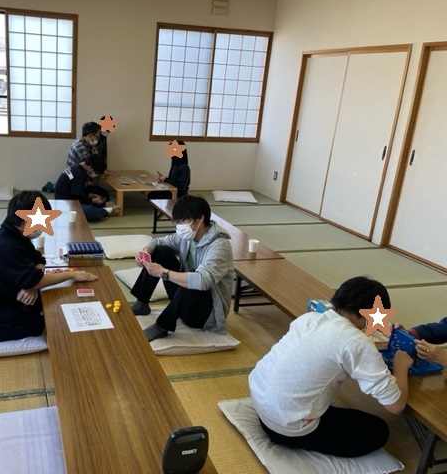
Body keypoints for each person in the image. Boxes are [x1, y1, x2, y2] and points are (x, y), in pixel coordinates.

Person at [249, 276, 413, 458]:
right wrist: (401, 366)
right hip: (287, 427)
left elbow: (339, 343)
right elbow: (396, 405)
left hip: (263, 405)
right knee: (378, 430)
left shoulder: (310, 318)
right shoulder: (355, 341)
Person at [0, 191, 99, 354]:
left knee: (35, 304)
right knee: (34, 325)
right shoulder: (5, 247)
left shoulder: (16, 234)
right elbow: (37, 276)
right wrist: (72, 274)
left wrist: (32, 284)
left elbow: (39, 259)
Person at [129, 195, 234, 341]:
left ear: (200, 218)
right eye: (177, 222)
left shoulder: (220, 245)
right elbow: (158, 241)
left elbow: (202, 281)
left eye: (183, 221)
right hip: (184, 299)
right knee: (160, 251)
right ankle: (142, 303)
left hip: (203, 314)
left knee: (194, 278)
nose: (180, 227)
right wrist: (145, 252)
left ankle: (162, 326)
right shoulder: (188, 237)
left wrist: (163, 272)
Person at [55, 155, 120, 221]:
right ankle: (109, 210)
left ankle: (100, 212)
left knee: (100, 197)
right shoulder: (79, 175)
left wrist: (89, 195)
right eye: (96, 173)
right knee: (88, 210)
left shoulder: (77, 167)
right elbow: (76, 198)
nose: (95, 175)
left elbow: (77, 191)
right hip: (65, 204)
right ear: (90, 168)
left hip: (68, 198)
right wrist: (92, 201)